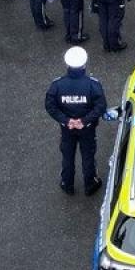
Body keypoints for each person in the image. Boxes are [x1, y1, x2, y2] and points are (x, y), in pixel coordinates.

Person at [44, 46, 107, 196]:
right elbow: (100, 106)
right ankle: (90, 184)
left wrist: (66, 120)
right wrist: (84, 121)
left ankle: (67, 184)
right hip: (87, 128)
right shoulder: (93, 84)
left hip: (67, 128)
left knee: (67, 155)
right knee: (88, 155)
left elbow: (50, 106)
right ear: (84, 65)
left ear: (67, 65)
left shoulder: (57, 85)